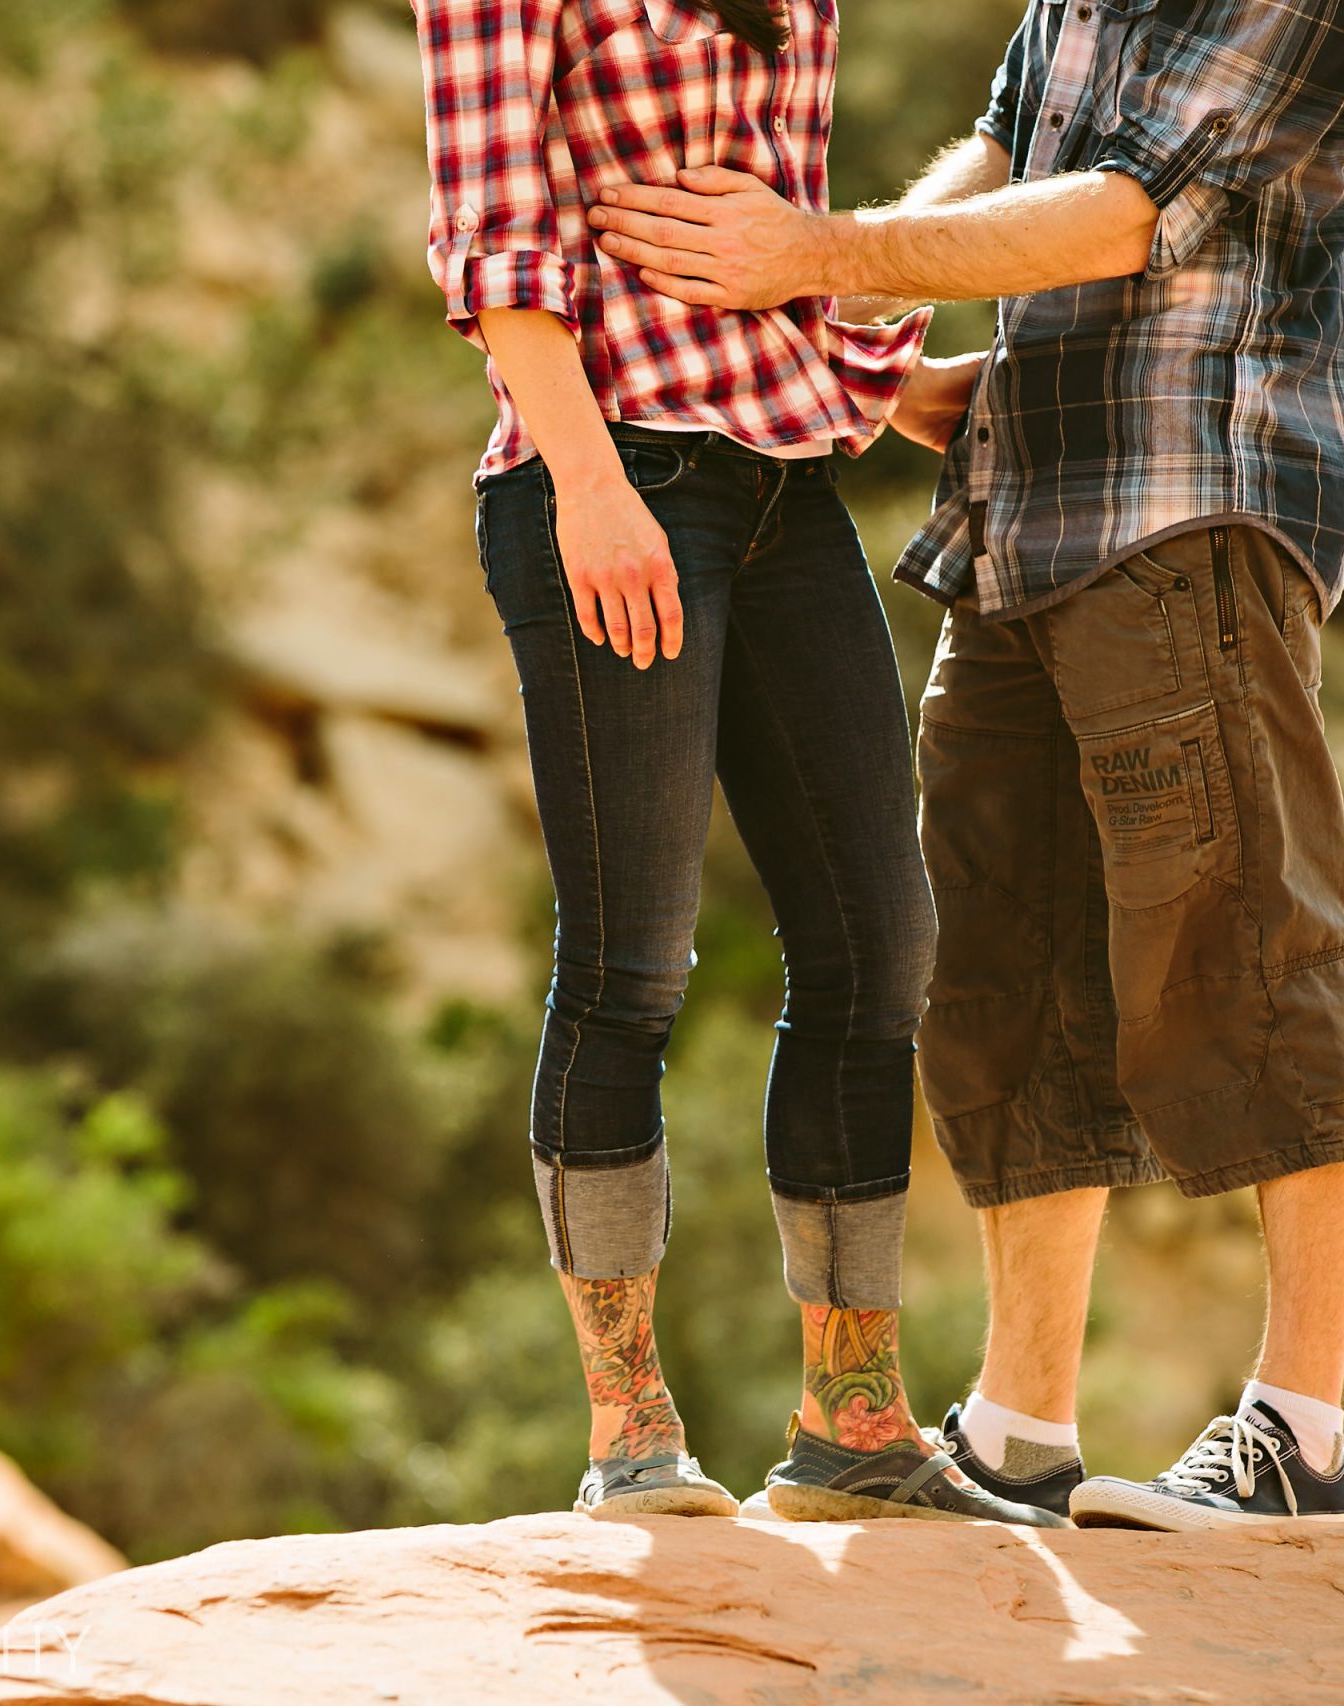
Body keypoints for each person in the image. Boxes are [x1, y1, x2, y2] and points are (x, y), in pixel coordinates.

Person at [585, 0, 1344, 1530]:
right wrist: (848, 335)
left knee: (1245, 938)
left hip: (1191, 498)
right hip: (1018, 509)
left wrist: (809, 254)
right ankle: (1021, 1428)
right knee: (997, 978)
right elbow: (1002, 143)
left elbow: (1118, 216)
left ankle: (1302, 1436)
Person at [411, 0, 1052, 1526]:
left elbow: (761, 229)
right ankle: (629, 1432)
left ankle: (853, 1423)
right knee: (635, 955)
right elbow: (500, 235)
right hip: (612, 466)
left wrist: (884, 389)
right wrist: (584, 482)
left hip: (782, 488)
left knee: (877, 944)